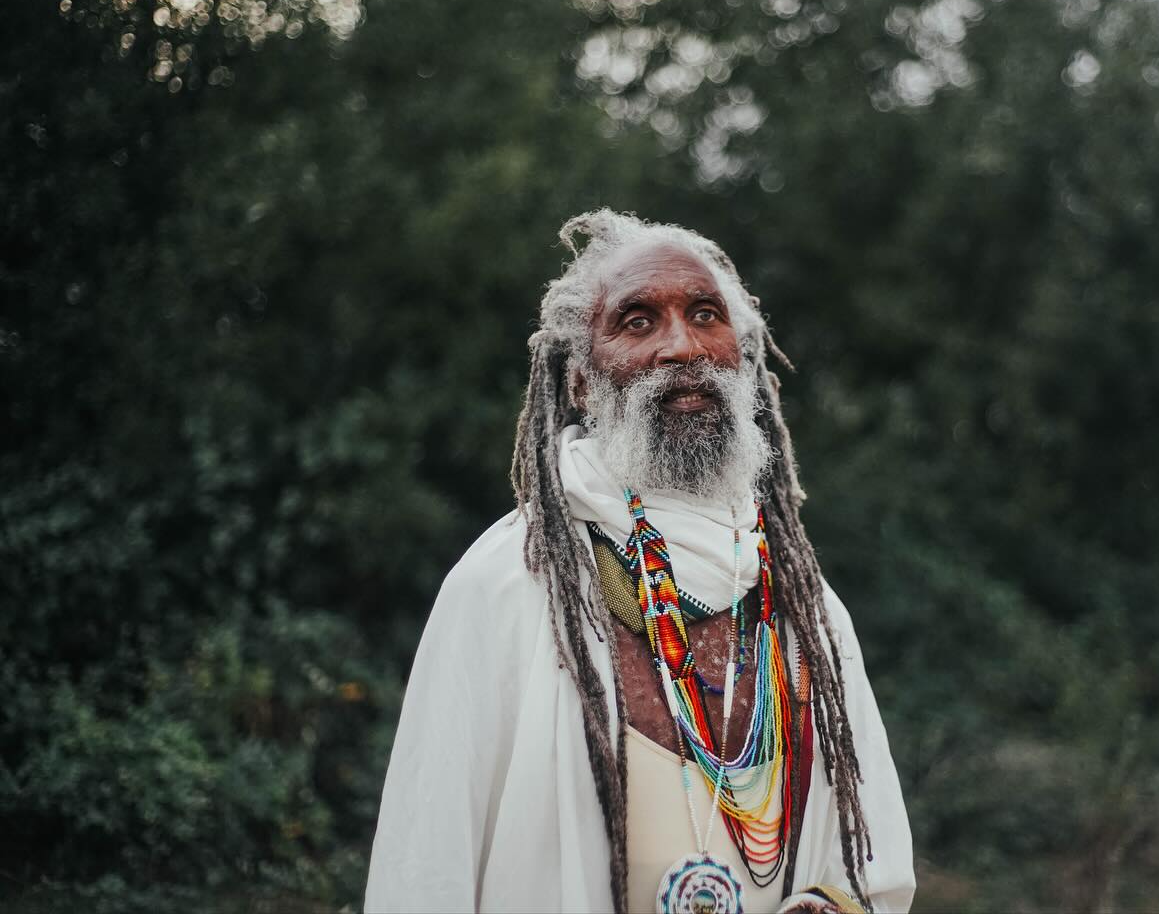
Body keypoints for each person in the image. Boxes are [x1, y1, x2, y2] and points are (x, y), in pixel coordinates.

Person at [364, 209, 914, 914]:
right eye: (637, 321)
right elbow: (424, 869)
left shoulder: (806, 606)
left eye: (705, 315)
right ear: (580, 382)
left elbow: (871, 869)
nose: (681, 346)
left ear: (744, 362)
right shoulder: (505, 583)